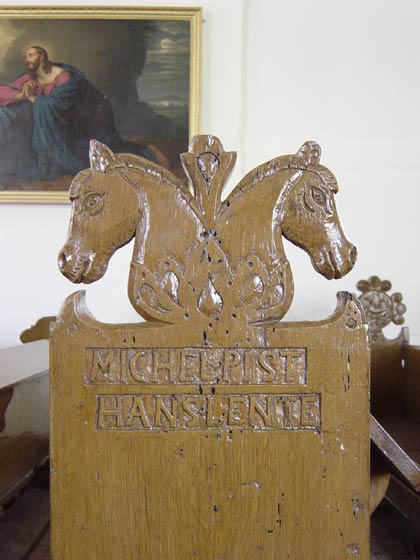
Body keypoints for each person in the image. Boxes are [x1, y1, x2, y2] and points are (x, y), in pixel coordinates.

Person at [0, 46, 160, 183]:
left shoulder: (63, 76)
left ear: (41, 56)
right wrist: (21, 96)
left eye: (30, 55)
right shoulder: (31, 77)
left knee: (105, 153)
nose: (26, 59)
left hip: (82, 125)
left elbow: (60, 107)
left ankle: (147, 153)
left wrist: (32, 97)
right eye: (26, 56)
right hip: (58, 125)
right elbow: (4, 90)